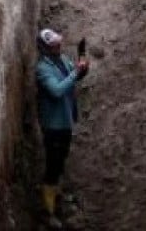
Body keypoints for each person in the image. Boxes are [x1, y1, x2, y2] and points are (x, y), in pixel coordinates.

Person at [35, 27, 89, 227]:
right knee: (53, 165)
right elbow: (57, 91)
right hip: (53, 127)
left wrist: (82, 64)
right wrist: (75, 73)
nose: (58, 46)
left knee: (60, 161)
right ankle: (47, 212)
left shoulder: (62, 60)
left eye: (58, 43)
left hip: (65, 123)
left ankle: (55, 196)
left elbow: (75, 76)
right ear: (45, 49)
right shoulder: (43, 69)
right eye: (54, 45)